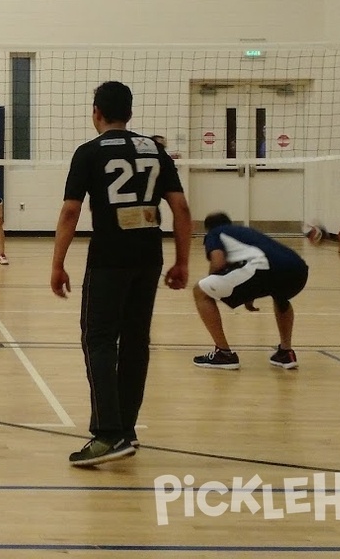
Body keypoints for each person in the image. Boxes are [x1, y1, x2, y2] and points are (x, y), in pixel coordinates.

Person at [50, 81, 192, 467]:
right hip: (149, 256)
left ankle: (107, 434)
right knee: (135, 342)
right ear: (129, 113)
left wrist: (57, 262)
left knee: (98, 340)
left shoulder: (89, 153)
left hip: (109, 258)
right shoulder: (155, 150)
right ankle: (126, 430)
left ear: (96, 112)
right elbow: (180, 209)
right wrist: (182, 261)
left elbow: (69, 212)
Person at [191, 212, 308, 371]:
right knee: (281, 297)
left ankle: (223, 354)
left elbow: (218, 262)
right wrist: (249, 293)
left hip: (262, 268)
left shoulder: (215, 233)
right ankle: (286, 352)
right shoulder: (245, 232)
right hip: (298, 269)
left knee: (200, 290)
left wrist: (212, 285)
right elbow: (258, 263)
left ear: (208, 228)